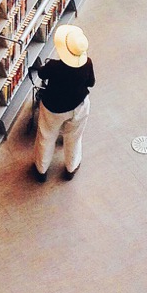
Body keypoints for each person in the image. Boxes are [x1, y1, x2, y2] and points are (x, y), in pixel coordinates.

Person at [30, 23, 94, 182]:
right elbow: (91, 83)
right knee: (74, 137)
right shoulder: (87, 63)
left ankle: (41, 169)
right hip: (79, 105)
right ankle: (71, 168)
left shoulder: (54, 66)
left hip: (53, 107)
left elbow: (42, 74)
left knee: (46, 136)